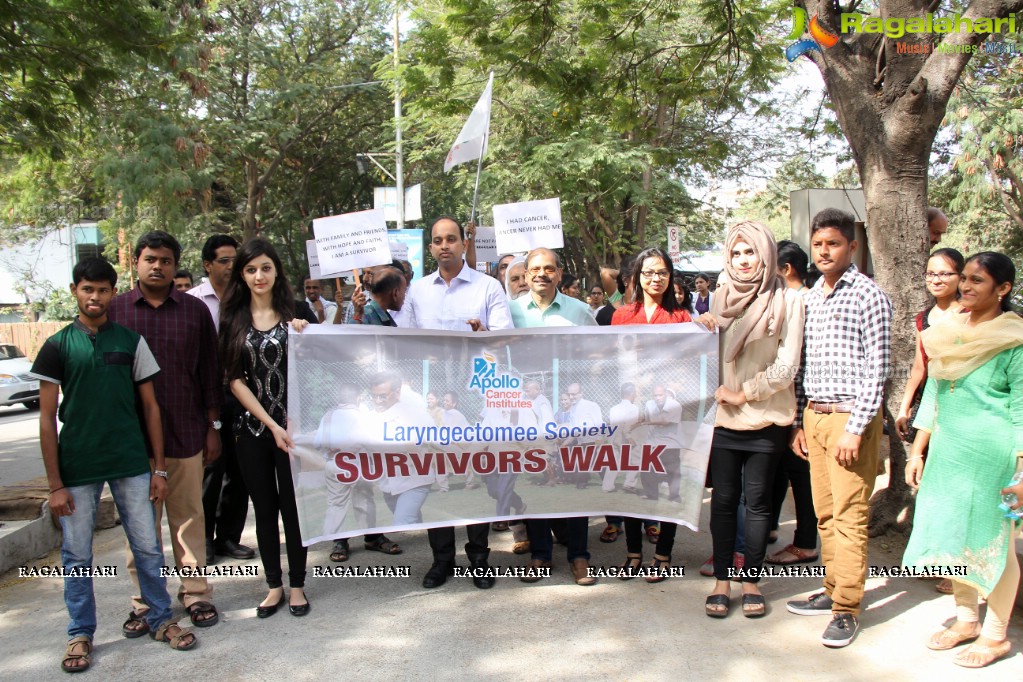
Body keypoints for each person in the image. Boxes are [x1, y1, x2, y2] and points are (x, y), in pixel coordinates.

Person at [33, 258, 197, 672]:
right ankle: (80, 633)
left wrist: (159, 469)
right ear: (75, 290)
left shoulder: (130, 341)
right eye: (88, 289)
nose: (95, 297)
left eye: (103, 290)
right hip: (77, 467)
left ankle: (160, 620)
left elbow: (151, 408)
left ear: (112, 292)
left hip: (130, 461)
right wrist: (55, 485)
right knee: (76, 554)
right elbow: (47, 420)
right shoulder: (57, 346)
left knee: (146, 546)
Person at [903, 251, 1023, 669]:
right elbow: (933, 395)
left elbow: (1022, 409)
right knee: (953, 537)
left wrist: (1022, 473)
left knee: (997, 543)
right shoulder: (947, 332)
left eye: (978, 281)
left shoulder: (1014, 339)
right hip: (949, 453)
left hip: (997, 457)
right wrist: (918, 451)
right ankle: (968, 619)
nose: (967, 287)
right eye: (966, 279)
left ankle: (995, 636)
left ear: (1003, 289)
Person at [787, 208, 891, 648]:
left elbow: (878, 368)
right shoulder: (810, 298)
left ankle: (847, 607)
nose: (825, 251)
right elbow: (801, 364)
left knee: (850, 516)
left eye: (833, 243)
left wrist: (856, 428)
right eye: (819, 244)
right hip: (815, 415)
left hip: (852, 419)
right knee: (824, 514)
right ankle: (831, 591)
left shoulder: (869, 296)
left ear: (852, 246)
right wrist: (799, 421)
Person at [109, 231, 222, 632]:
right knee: (140, 523)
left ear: (175, 265)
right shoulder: (117, 311)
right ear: (136, 263)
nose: (157, 266)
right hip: (131, 439)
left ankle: (195, 594)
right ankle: (144, 602)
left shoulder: (193, 311)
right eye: (150, 259)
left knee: (189, 516)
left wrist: (213, 427)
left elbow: (210, 372)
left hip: (187, 431)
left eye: (166, 260)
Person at [696, 221, 805, 619]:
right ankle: (723, 581)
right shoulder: (719, 299)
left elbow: (787, 365)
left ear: (767, 255)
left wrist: (745, 393)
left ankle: (751, 581)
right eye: (736, 253)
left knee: (757, 503)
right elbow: (712, 358)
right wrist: (703, 328)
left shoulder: (788, 301)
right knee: (723, 502)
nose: (743, 261)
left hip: (765, 417)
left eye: (751, 252)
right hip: (723, 419)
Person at [402, 215, 513, 589]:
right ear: (430, 247)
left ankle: (479, 559)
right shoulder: (417, 291)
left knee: (476, 473)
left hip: (476, 397)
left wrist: (484, 335)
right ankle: (442, 560)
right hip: (432, 399)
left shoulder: (488, 287)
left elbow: (505, 339)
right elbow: (402, 342)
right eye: (437, 240)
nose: (444, 245)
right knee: (438, 473)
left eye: (451, 238)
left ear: (465, 243)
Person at [220, 237, 311, 618]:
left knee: (294, 508)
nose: (260, 276)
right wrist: (272, 424)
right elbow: (235, 380)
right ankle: (273, 585)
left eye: (266, 268)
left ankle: (297, 586)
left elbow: (319, 365)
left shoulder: (298, 313)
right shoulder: (232, 318)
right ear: (242, 275)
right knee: (265, 509)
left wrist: (308, 335)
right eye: (251, 269)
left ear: (277, 271)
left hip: (295, 431)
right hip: (252, 431)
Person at [510, 247, 598, 586]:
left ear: (560, 274)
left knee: (571, 479)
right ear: (527, 273)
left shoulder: (579, 311)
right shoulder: (511, 312)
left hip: (568, 411)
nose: (541, 274)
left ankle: (579, 556)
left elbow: (596, 356)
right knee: (536, 479)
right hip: (530, 412)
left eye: (548, 268)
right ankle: (540, 555)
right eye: (535, 268)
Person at [612, 247, 692, 583]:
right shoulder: (622, 316)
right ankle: (633, 554)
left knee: (669, 485)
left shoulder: (682, 319)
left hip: (666, 414)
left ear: (670, 276)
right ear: (636, 277)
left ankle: (663, 555)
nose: (655, 279)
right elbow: (614, 365)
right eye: (648, 273)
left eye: (661, 272)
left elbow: (687, 368)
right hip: (633, 415)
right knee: (637, 484)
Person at [188, 234, 256, 566]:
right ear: (208, 265)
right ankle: (202, 542)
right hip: (206, 397)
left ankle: (229, 538)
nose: (231, 267)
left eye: (235, 261)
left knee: (240, 470)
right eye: (225, 261)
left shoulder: (247, 300)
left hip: (242, 394)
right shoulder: (192, 302)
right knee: (210, 469)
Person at [766, 240, 818, 565]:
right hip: (786, 404)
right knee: (781, 469)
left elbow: (802, 367)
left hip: (796, 404)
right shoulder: (790, 299)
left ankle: (806, 542)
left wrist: (798, 418)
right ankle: (769, 526)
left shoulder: (801, 303)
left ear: (785, 270)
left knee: (799, 472)